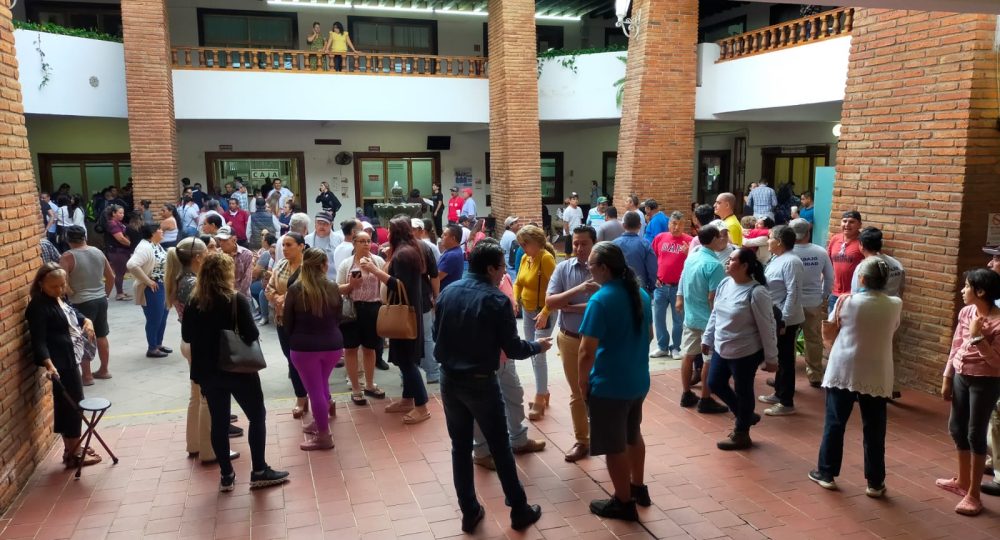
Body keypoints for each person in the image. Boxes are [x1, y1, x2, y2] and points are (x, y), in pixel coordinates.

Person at [433, 240, 550, 533]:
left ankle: (469, 511)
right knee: (499, 446)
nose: (503, 274)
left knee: (460, 447)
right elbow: (512, 348)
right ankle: (519, 510)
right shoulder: (496, 300)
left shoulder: (448, 292)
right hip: (480, 383)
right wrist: (538, 346)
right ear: (490, 268)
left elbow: (437, 334)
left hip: (449, 380)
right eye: (501, 268)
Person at [182, 253, 290, 491]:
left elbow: (187, 337)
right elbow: (251, 334)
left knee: (219, 423)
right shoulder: (235, 300)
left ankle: (226, 475)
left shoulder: (193, 301)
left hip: (208, 372)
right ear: (226, 274)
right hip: (238, 369)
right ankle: (259, 469)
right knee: (256, 416)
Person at [809, 258, 902, 499]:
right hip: (878, 371)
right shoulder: (895, 304)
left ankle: (826, 473)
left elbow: (831, 325)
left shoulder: (846, 301)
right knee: (875, 427)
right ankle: (875, 482)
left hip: (844, 368)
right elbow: (892, 329)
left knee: (835, 422)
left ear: (862, 279)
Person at [579, 242, 653, 521]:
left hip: (610, 385)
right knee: (633, 434)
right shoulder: (641, 294)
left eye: (591, 266)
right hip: (638, 381)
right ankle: (638, 487)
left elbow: (586, 352)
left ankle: (623, 502)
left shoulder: (600, 300)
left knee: (614, 445)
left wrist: (582, 383)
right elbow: (651, 335)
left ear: (604, 269)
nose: (589, 270)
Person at [360, 217, 436, 424]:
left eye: (389, 230)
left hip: (405, 313)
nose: (387, 233)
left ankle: (421, 406)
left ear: (395, 233)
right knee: (405, 360)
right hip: (410, 311)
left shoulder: (404, 254)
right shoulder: (409, 250)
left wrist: (375, 271)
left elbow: (398, 285)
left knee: (407, 362)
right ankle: (407, 399)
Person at [26, 263, 102, 468]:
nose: (59, 290)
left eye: (62, 285)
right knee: (74, 405)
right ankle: (75, 452)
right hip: (60, 363)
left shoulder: (57, 298)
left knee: (69, 405)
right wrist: (49, 365)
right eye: (54, 287)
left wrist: (87, 320)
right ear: (41, 284)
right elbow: (39, 340)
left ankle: (72, 448)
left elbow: (71, 313)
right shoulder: (39, 306)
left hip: (70, 357)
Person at [938, 268, 1000, 516]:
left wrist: (978, 337)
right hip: (962, 377)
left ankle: (974, 495)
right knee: (956, 428)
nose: (963, 290)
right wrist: (947, 376)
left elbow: (996, 363)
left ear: (981, 291)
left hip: (985, 381)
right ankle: (962, 482)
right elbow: (955, 345)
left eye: (966, 286)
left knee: (976, 434)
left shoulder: (997, 322)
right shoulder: (966, 312)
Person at [704, 248, 779, 450]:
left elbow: (768, 326)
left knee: (743, 390)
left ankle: (741, 433)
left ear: (745, 266)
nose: (727, 262)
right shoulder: (724, 284)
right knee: (715, 383)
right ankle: (745, 415)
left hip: (745, 352)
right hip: (722, 346)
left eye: (732, 260)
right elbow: (715, 314)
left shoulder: (757, 292)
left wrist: (772, 358)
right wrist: (707, 338)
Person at [545, 225, 599, 462]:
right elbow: (550, 301)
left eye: (583, 243)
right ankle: (582, 441)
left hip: (599, 341)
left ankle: (606, 438)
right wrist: (579, 289)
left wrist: (570, 306)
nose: (578, 248)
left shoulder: (604, 270)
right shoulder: (563, 269)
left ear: (594, 243)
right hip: (569, 337)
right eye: (575, 243)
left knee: (601, 391)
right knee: (577, 391)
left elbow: (603, 304)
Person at [284, 248, 343, 451]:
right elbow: (338, 317)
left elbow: (287, 321)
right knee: (322, 384)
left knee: (315, 391)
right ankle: (320, 422)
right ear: (324, 265)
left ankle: (324, 436)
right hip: (333, 345)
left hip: (304, 347)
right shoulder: (333, 286)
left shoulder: (296, 288)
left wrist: (294, 339)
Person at [676, 225, 730, 414]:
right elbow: (713, 297)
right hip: (708, 321)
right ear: (714, 239)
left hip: (691, 317)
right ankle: (706, 398)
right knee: (708, 360)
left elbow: (682, 280)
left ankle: (686, 393)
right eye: (721, 237)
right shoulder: (714, 265)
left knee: (688, 355)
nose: (723, 240)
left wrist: (679, 298)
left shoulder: (692, 257)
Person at [758, 225, 805, 416]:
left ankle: (786, 402)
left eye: (769, 237)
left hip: (787, 320)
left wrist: (784, 320)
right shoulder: (777, 258)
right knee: (780, 357)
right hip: (775, 318)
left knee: (786, 360)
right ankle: (778, 393)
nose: (767, 240)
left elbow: (793, 293)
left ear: (779, 241)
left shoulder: (792, 262)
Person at [336, 230, 387, 406]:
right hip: (352, 309)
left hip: (373, 308)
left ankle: (370, 384)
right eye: (361, 241)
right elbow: (337, 289)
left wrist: (373, 270)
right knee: (350, 349)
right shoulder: (346, 264)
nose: (366, 244)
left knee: (370, 348)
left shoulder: (378, 261)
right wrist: (351, 285)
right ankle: (356, 388)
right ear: (354, 243)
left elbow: (385, 284)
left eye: (368, 241)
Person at [59, 226, 114, 385]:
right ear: (85, 237)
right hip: (100, 299)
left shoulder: (67, 257)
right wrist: (105, 294)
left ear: (68, 240)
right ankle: (104, 370)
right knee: (102, 334)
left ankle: (87, 376)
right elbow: (110, 277)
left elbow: (63, 284)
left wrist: (70, 295)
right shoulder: (98, 252)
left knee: (84, 337)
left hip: (81, 302)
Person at [513, 224, 557, 421]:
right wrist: (515, 299)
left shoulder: (546, 259)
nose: (522, 247)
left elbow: (556, 288)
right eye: (521, 244)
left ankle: (540, 395)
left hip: (542, 312)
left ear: (537, 243)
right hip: (527, 310)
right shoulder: (525, 258)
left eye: (525, 243)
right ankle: (543, 390)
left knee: (538, 354)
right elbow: (518, 282)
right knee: (531, 351)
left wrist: (547, 312)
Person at [266, 232, 310, 418]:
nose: (284, 249)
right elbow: (269, 288)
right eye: (283, 245)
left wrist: (286, 298)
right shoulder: (281, 265)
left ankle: (320, 396)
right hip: (282, 320)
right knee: (291, 359)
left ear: (301, 246)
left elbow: (310, 290)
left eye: (289, 245)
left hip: (304, 322)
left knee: (306, 360)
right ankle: (301, 396)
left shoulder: (309, 267)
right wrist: (276, 297)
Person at [790, 218, 834, 388]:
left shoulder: (787, 252)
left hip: (792, 302)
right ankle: (815, 374)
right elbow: (829, 277)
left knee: (788, 340)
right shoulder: (820, 252)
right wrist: (822, 295)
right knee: (813, 339)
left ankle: (786, 372)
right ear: (808, 232)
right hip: (813, 301)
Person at [650, 211, 691, 360]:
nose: (677, 227)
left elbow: (694, 263)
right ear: (669, 224)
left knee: (678, 320)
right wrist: (654, 276)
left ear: (684, 225)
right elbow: (652, 258)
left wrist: (689, 253)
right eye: (674, 223)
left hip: (678, 288)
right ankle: (662, 346)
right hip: (661, 286)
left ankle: (676, 347)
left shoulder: (690, 241)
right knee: (659, 318)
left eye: (680, 224)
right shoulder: (660, 238)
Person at [126, 223, 171, 358]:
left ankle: (158, 344)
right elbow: (132, 264)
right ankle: (152, 348)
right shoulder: (145, 247)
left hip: (162, 285)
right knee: (154, 318)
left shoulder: (155, 244)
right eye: (159, 230)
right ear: (152, 233)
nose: (162, 232)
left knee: (162, 317)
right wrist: (147, 280)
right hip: (152, 287)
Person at [850, 227, 905, 298]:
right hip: (892, 306)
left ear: (862, 245)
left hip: (870, 307)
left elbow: (854, 294)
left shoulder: (862, 268)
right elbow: (901, 289)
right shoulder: (896, 264)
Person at [827, 211, 864, 313]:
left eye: (852, 222)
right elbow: (828, 263)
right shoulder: (835, 239)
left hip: (853, 295)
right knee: (831, 327)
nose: (847, 225)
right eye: (844, 221)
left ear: (859, 225)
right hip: (834, 294)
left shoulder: (863, 242)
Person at [614, 211, 657, 294]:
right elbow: (652, 269)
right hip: (640, 290)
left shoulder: (614, 244)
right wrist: (651, 287)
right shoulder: (645, 244)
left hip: (618, 289)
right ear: (640, 226)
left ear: (624, 225)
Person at [103, 205, 132, 301]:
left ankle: (121, 291)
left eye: (123, 213)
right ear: (113, 213)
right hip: (117, 251)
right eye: (120, 213)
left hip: (122, 251)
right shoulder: (112, 224)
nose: (122, 215)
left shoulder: (118, 223)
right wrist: (131, 244)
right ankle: (119, 293)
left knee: (122, 271)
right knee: (119, 272)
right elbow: (120, 238)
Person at [216, 226, 254, 297]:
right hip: (220, 296)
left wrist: (236, 297)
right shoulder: (216, 254)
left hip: (241, 296)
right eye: (220, 240)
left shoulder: (246, 254)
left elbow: (247, 280)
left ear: (234, 239)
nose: (221, 243)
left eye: (224, 240)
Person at [250, 233, 277, 325]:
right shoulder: (270, 257)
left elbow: (255, 273)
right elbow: (268, 273)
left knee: (251, 288)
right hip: (268, 282)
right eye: (271, 253)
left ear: (265, 242)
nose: (272, 255)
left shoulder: (266, 253)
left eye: (263, 238)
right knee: (263, 292)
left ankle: (259, 313)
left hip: (275, 284)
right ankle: (263, 314)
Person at [305, 211, 339, 280]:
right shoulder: (307, 239)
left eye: (325, 224)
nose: (322, 226)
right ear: (315, 224)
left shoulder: (339, 239)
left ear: (331, 225)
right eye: (319, 223)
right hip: (313, 280)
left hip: (333, 280)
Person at [438, 224, 465, 290]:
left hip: (445, 294)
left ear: (453, 238)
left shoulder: (452, 255)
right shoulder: (454, 251)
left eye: (445, 235)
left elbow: (436, 278)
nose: (441, 236)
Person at [500, 216, 521, 282]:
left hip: (506, 263)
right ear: (510, 226)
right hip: (510, 266)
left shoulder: (507, 233)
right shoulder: (512, 236)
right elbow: (514, 254)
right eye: (515, 222)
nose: (518, 224)